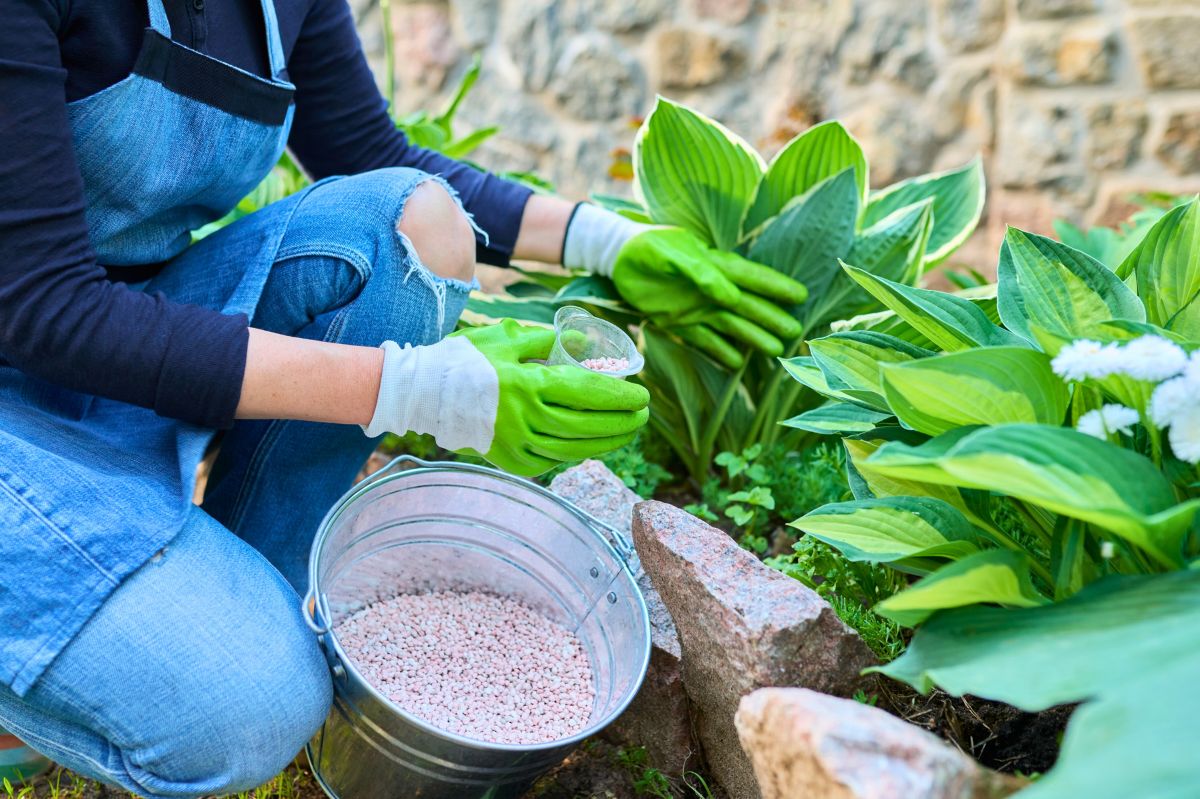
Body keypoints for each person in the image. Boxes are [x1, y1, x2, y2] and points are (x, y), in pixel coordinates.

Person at [0, 0, 808, 795]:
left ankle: (220, 601)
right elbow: (44, 306)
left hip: (120, 350)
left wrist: (607, 240)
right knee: (253, 711)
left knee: (410, 224)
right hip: (33, 361)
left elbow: (367, 149)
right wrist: (422, 390)